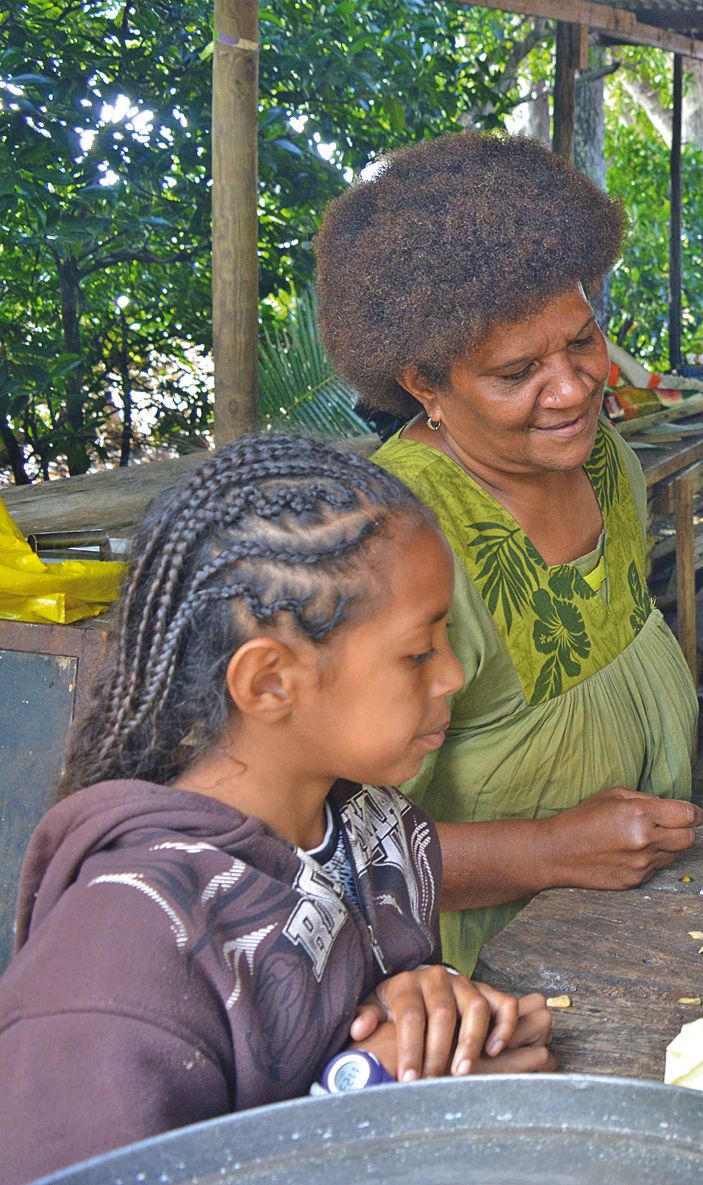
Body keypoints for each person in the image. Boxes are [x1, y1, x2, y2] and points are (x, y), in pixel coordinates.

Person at [0, 436, 553, 1185]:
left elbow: (342, 1018)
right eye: (418, 652)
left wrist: (427, 1009)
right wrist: (361, 1105)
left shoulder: (369, 830)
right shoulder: (121, 958)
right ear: (269, 683)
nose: (453, 673)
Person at [315, 133, 703, 976]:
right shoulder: (397, 541)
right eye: (515, 371)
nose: (571, 387)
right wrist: (545, 851)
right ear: (424, 382)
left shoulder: (607, 460)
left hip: (632, 933)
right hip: (479, 983)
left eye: (582, 340)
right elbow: (329, 853)